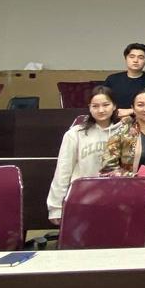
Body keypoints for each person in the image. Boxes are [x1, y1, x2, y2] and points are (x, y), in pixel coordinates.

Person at [100, 87, 145, 245]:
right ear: (132, 108)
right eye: (140, 105)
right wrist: (138, 179)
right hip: (128, 199)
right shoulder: (121, 134)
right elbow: (107, 169)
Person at [45, 85, 116, 225]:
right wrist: (56, 207)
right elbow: (63, 171)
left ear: (114, 106)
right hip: (81, 199)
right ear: (89, 108)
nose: (101, 110)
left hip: (114, 200)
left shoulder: (124, 132)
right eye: (95, 106)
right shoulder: (75, 133)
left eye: (106, 105)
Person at [104, 42, 145, 120]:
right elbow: (103, 102)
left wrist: (131, 111)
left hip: (142, 121)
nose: (136, 60)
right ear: (126, 58)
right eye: (132, 57)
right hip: (114, 120)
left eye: (140, 57)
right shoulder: (112, 79)